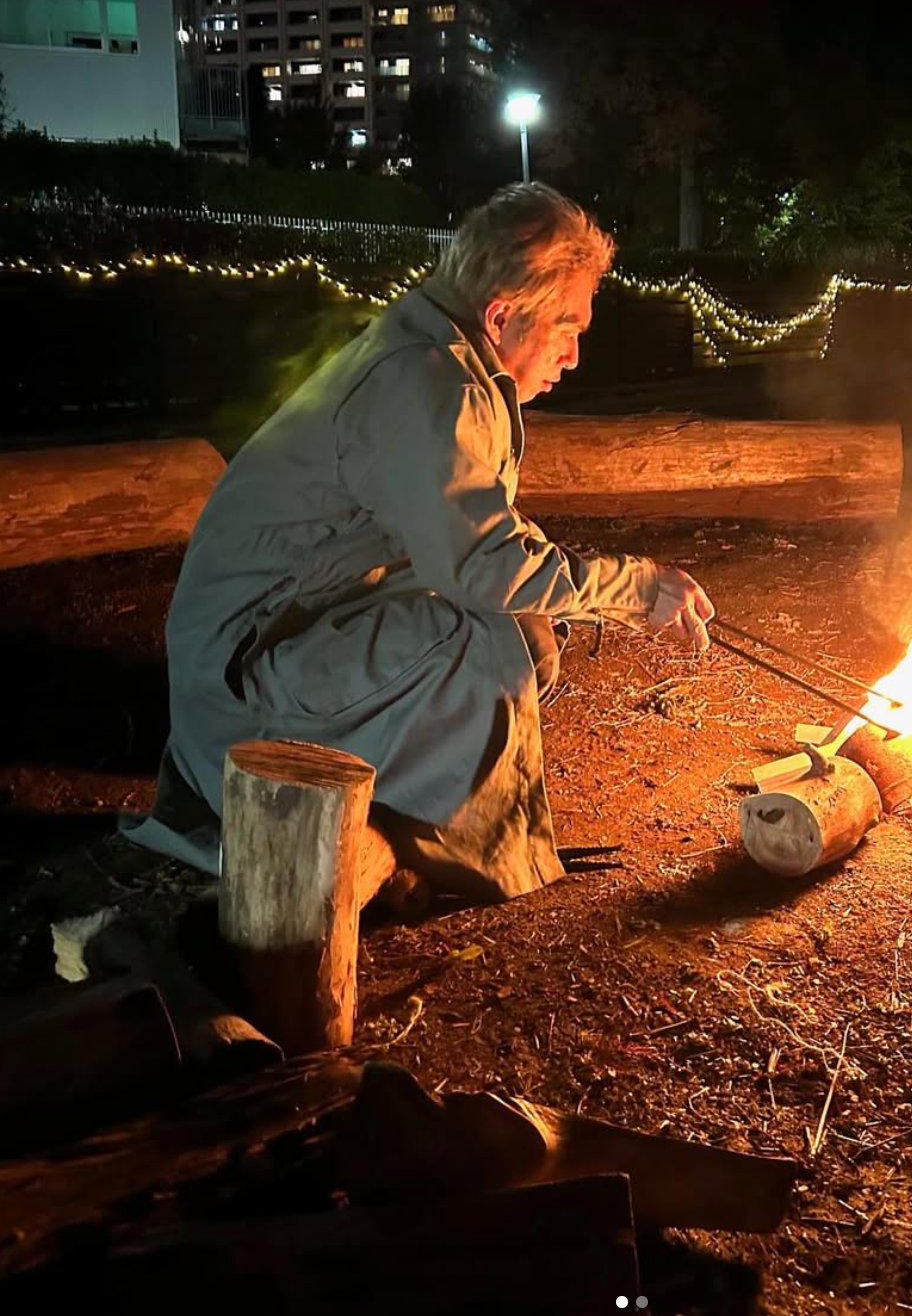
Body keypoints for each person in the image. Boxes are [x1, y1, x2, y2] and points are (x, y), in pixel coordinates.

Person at [122, 183, 715, 902]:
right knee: (483, 637)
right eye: (568, 327)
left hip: (279, 641)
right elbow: (485, 567)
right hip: (242, 693)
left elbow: (477, 527)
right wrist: (637, 588)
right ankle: (422, 849)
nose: (575, 354)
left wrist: (616, 589)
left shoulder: (436, 354)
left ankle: (394, 816)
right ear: (501, 315)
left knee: (524, 632)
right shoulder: (433, 383)